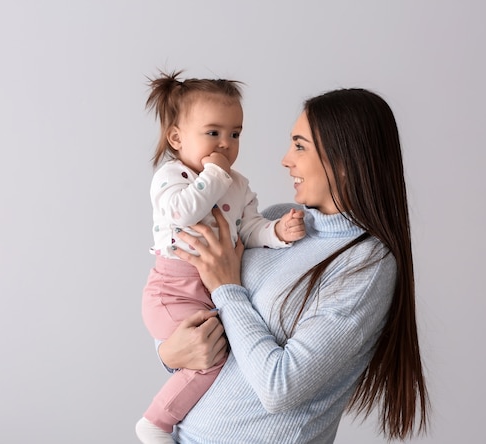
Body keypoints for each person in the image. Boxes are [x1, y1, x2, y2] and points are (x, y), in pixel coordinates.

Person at [159, 87, 430, 443]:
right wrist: (168, 353)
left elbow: (280, 387)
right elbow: (195, 315)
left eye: (300, 146)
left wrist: (227, 288)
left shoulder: (366, 265)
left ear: (344, 160)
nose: (286, 160)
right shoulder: (275, 223)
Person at [135, 70, 306, 444]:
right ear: (177, 137)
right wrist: (214, 173)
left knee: (219, 357)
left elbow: (248, 228)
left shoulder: (238, 183)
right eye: (213, 133)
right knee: (208, 360)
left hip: (208, 291)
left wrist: (277, 233)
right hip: (174, 289)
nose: (226, 144)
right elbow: (183, 212)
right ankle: (156, 423)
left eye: (235, 133)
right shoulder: (171, 176)